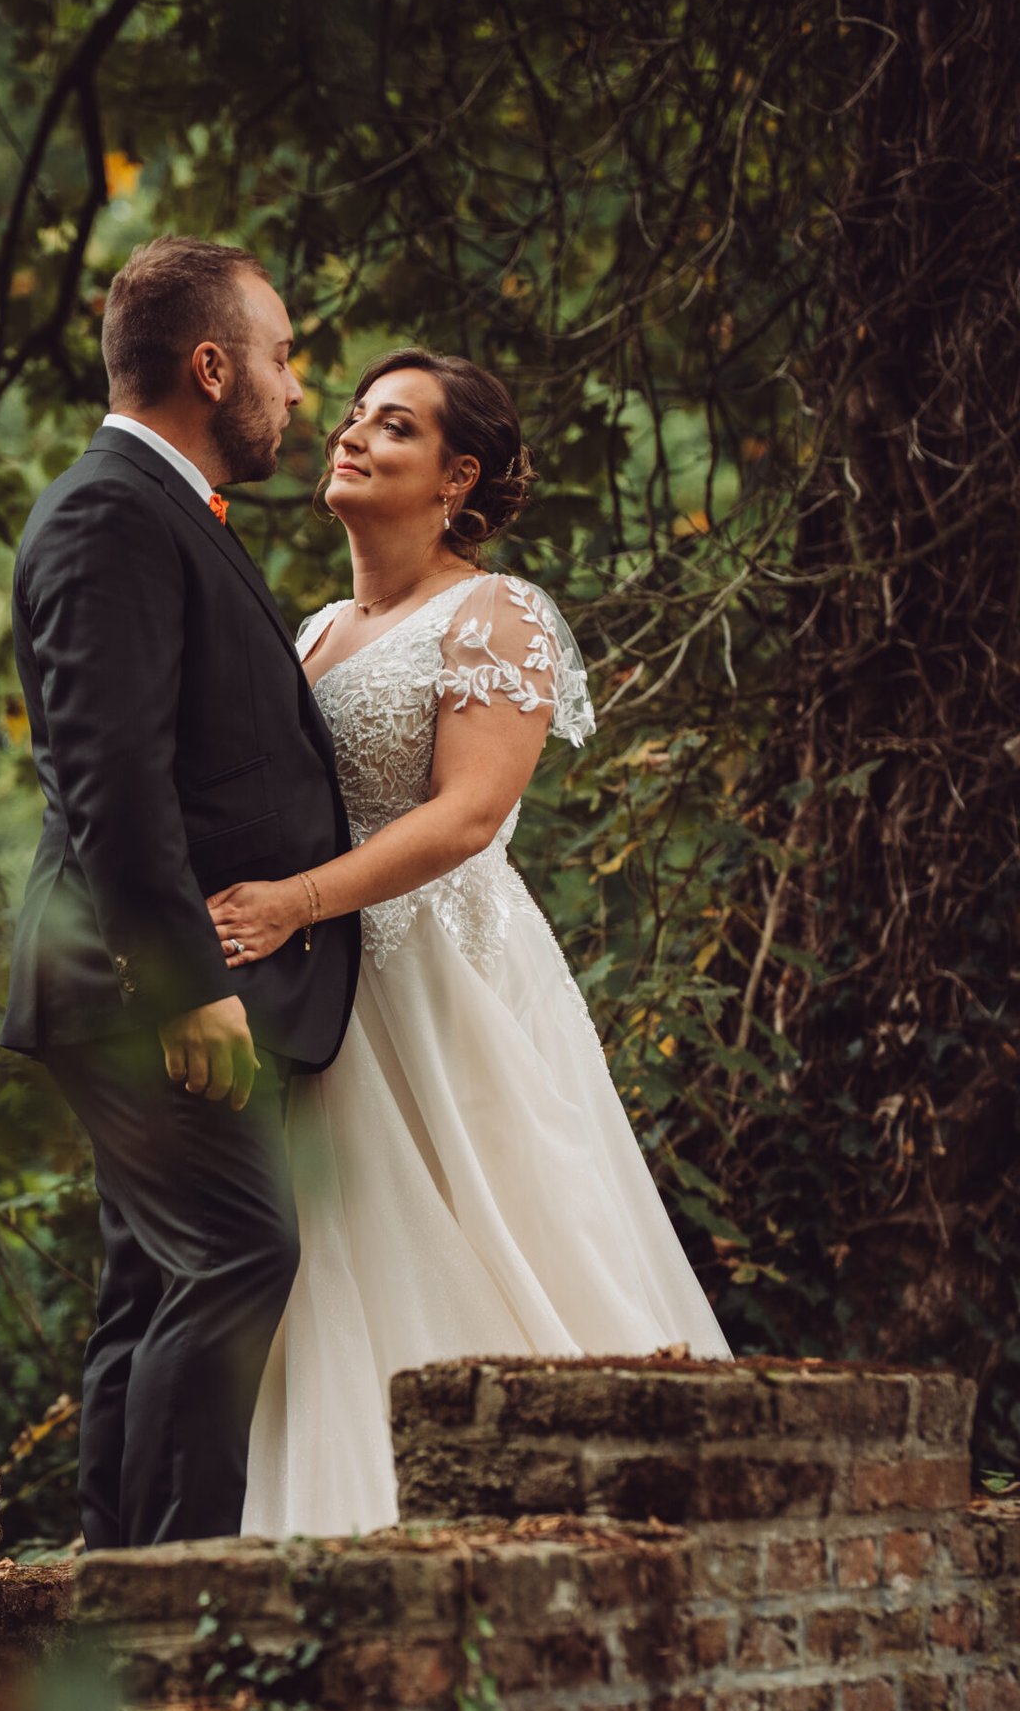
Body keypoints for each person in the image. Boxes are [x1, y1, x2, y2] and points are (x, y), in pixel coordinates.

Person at [208, 350, 731, 1539]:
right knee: (340, 1263)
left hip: (444, 979)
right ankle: (346, 1534)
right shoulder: (317, 627)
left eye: (392, 427)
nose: (348, 435)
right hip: (330, 996)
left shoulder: (496, 612)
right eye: (350, 417)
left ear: (458, 479)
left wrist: (292, 901)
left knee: (510, 1231)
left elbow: (467, 815)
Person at [0, 237, 360, 1551]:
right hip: (137, 982)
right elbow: (112, 777)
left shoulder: (159, 512)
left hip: (140, 979)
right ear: (211, 368)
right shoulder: (111, 515)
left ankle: (109, 1591)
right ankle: (165, 1599)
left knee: (157, 1279)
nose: (295, 391)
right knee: (239, 1254)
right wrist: (190, 983)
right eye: (278, 359)